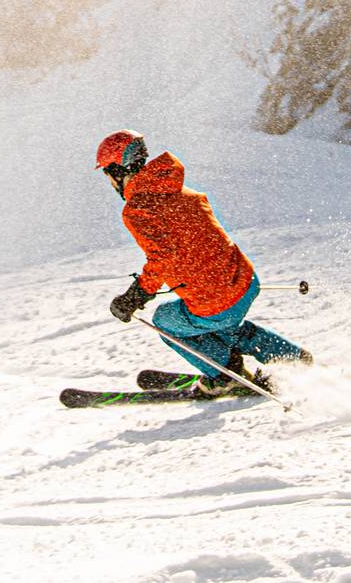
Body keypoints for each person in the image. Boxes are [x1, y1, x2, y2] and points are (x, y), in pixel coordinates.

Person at [98, 130, 313, 396]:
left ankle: (225, 375)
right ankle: (291, 356)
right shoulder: (181, 190)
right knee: (225, 326)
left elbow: (162, 257)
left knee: (165, 320)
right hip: (246, 282)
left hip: (217, 301)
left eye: (107, 174)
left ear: (117, 170)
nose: (109, 182)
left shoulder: (138, 209)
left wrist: (135, 296)